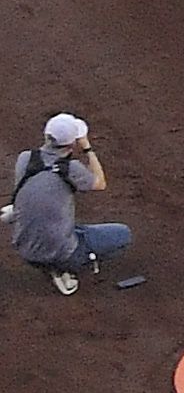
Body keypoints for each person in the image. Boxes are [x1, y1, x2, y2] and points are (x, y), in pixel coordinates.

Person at [11, 118, 135, 297]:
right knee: (123, 234)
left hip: (25, 249)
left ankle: (55, 261)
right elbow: (100, 183)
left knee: (57, 220)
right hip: (59, 251)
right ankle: (63, 269)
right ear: (73, 143)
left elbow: (31, 191)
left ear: (47, 136)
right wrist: (88, 149)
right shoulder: (72, 169)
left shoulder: (25, 158)